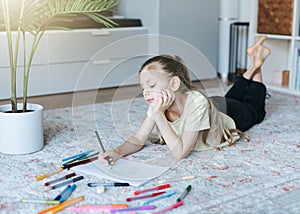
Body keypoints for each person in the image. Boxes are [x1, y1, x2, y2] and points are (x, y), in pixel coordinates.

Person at [99, 36, 271, 163]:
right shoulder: (158, 105)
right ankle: (253, 66)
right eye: (143, 88)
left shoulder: (194, 104)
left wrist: (159, 117)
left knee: (256, 110)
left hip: (231, 114)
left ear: (174, 84)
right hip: (216, 103)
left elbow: (180, 153)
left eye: (151, 85)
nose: (146, 93)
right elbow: (138, 140)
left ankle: (257, 64)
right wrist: (117, 152)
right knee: (229, 97)